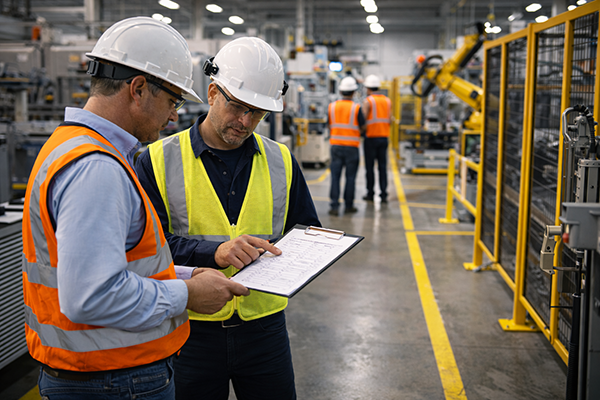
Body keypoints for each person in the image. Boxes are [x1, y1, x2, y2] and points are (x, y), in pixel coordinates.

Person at [21, 17, 249, 399]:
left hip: (101, 375)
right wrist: (187, 294)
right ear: (139, 89)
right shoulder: (96, 168)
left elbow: (122, 264)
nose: (175, 114)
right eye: (173, 100)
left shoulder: (76, 147)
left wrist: (192, 274)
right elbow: (91, 296)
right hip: (111, 380)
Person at [135, 36, 321, 400]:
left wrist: (314, 248)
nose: (245, 121)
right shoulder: (155, 160)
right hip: (190, 328)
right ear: (212, 92)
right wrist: (215, 252)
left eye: (257, 112)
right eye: (237, 106)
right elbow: (147, 248)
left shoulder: (281, 160)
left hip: (264, 328)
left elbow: (304, 232)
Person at [327, 76, 365, 215]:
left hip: (335, 146)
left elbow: (329, 124)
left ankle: (334, 207)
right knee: (350, 178)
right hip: (351, 147)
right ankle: (349, 206)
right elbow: (362, 127)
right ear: (353, 92)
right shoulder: (356, 108)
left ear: (341, 91)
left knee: (335, 177)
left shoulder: (332, 106)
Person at [362, 74, 392, 203]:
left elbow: (363, 120)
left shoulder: (368, 101)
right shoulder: (387, 101)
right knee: (382, 167)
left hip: (371, 138)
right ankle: (384, 194)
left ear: (368, 88)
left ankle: (370, 193)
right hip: (384, 138)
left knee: (370, 168)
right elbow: (389, 120)